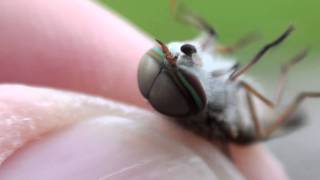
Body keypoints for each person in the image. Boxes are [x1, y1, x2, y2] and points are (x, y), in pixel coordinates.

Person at [0, 1, 288, 179]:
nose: (178, 54)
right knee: (248, 103)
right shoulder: (207, 95)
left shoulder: (189, 76)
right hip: (220, 118)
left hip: (197, 100)